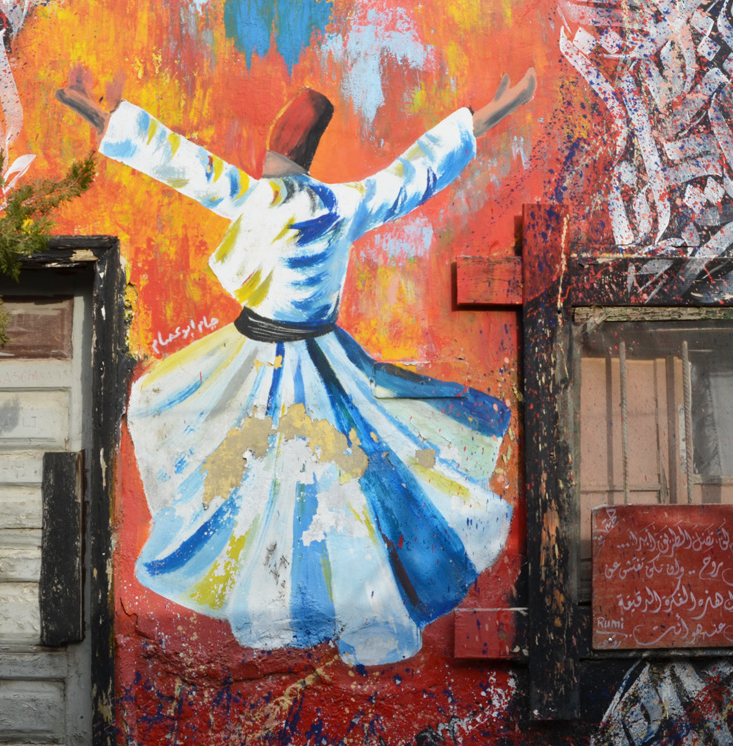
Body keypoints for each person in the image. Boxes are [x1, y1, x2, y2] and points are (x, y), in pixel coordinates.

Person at [58, 69, 536, 665]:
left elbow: (185, 164)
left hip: (258, 357)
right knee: (339, 482)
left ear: (275, 150)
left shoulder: (255, 196)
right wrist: (479, 119)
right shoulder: (343, 203)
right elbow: (414, 175)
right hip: (321, 358)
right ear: (309, 154)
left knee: (252, 470)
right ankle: (341, 609)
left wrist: (113, 125)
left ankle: (283, 608)